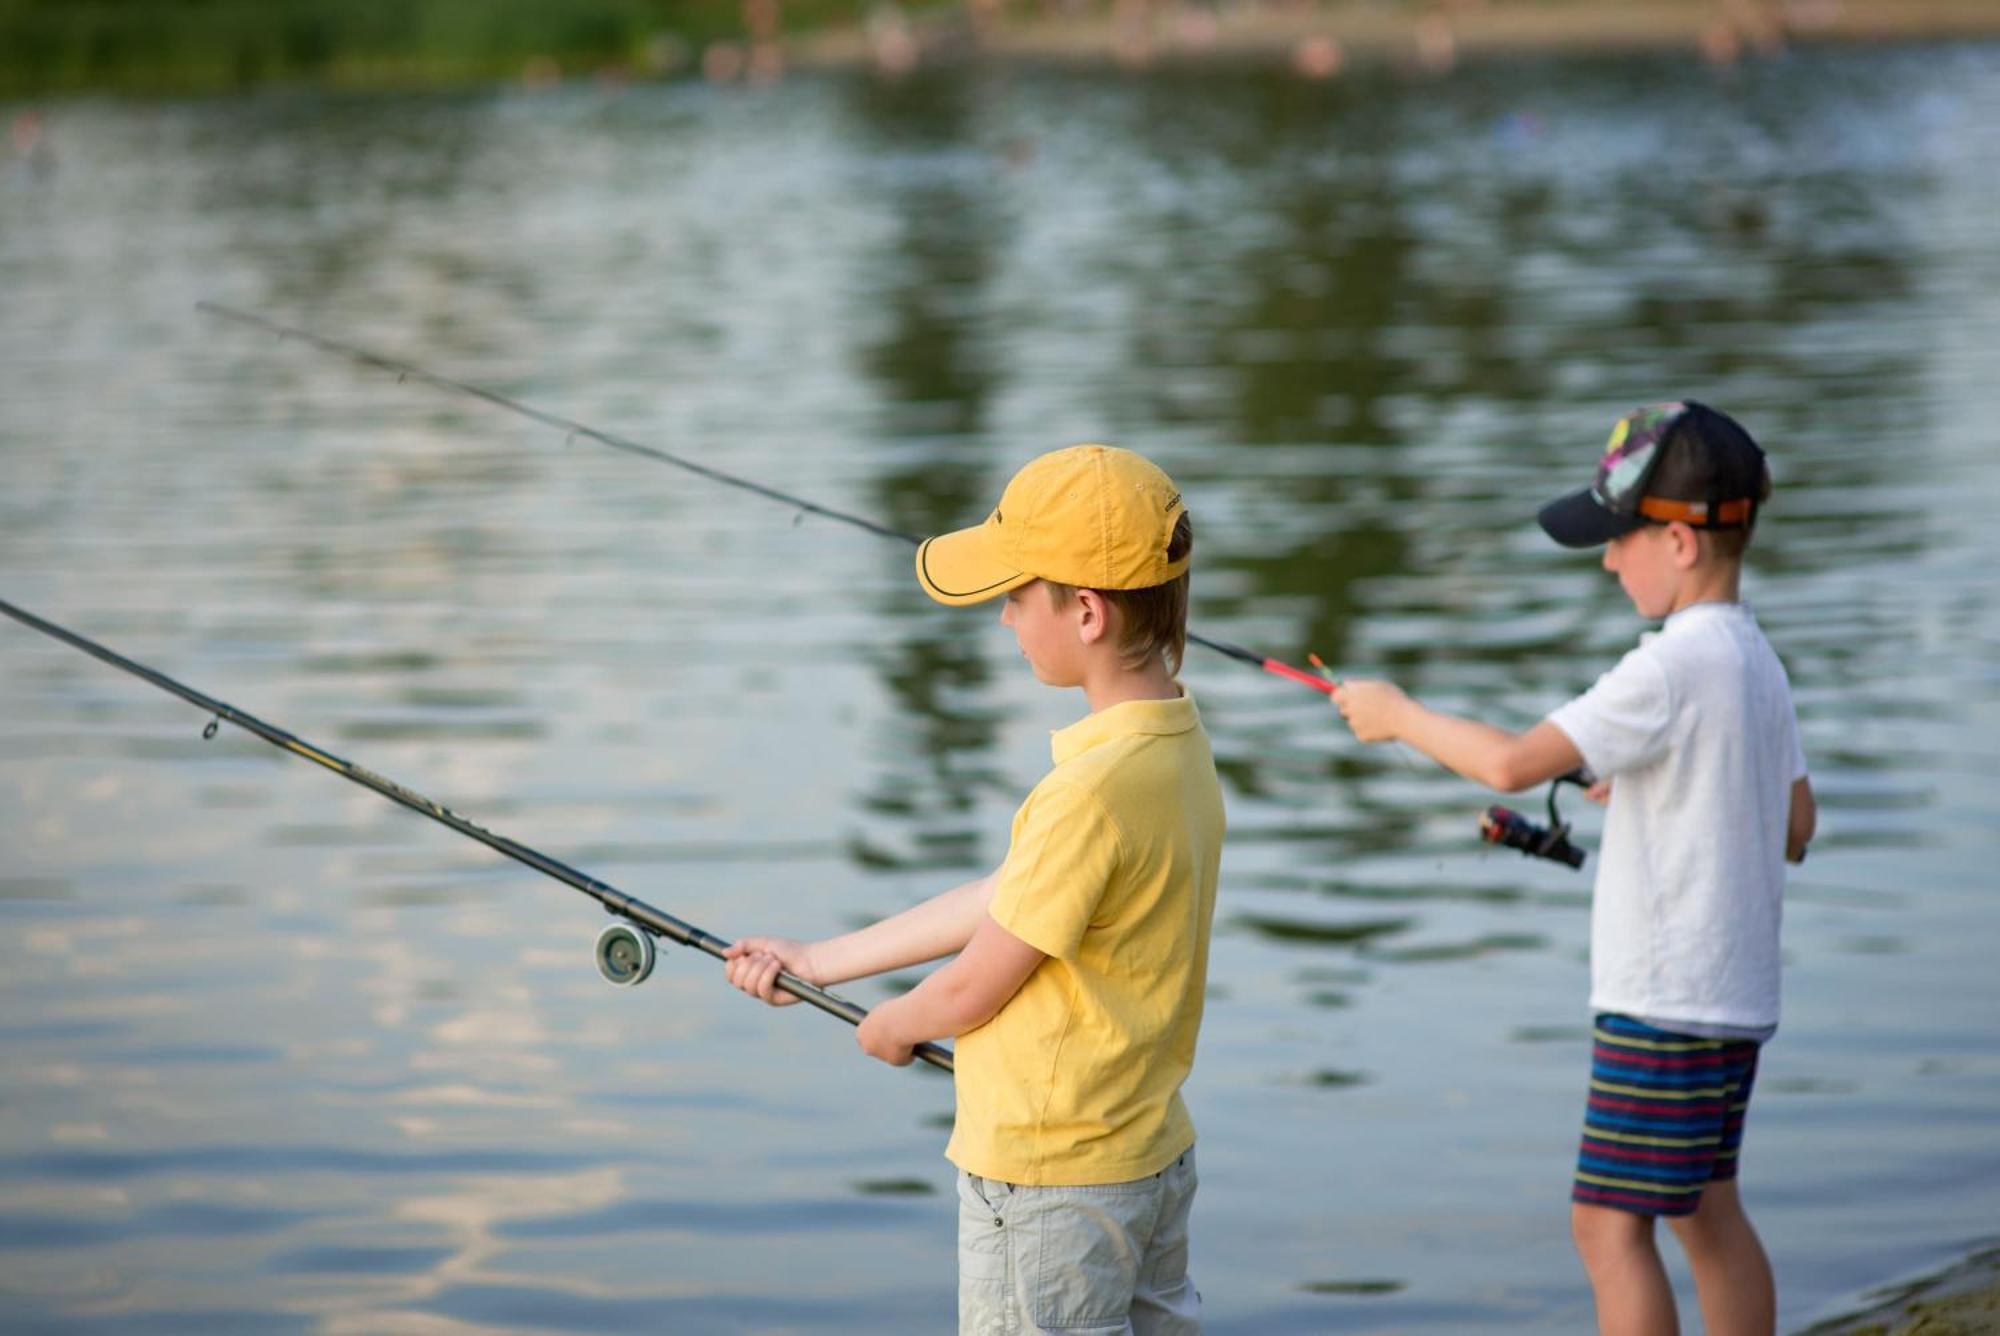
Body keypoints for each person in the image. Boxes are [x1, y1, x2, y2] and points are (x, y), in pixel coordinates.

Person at [1332, 402, 1815, 1336]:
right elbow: (1796, 820)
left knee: (1604, 1227)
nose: (1605, 559)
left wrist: (1398, 715)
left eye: (1617, 538)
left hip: (1664, 999)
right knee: (1709, 1210)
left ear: (1677, 542)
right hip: (1735, 998)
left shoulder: (1669, 666)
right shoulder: (1756, 659)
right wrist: (1661, 787)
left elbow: (1512, 764)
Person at [725, 443, 1225, 1334]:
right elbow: (1013, 898)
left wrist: (893, 1024)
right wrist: (822, 961)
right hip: (1147, 1158)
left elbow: (979, 979)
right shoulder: (1173, 753)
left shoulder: (1085, 794)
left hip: (1049, 1186)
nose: (1002, 618)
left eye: (1015, 595)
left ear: (1084, 613)